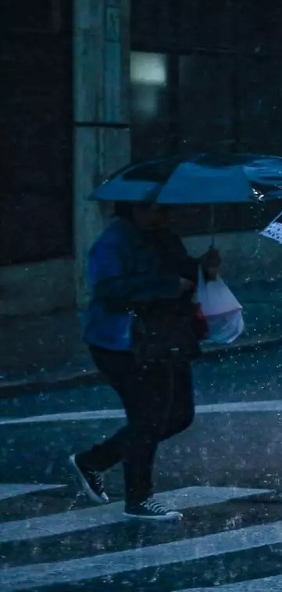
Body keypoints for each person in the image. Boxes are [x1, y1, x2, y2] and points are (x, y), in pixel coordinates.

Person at [69, 202, 219, 521]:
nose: (162, 215)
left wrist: (202, 269)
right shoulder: (114, 242)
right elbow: (109, 290)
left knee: (179, 415)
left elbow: (181, 272)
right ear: (132, 209)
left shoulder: (164, 236)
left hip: (165, 339)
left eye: (165, 208)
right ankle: (138, 497)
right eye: (152, 209)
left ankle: (94, 461)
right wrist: (167, 286)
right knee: (148, 418)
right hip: (123, 343)